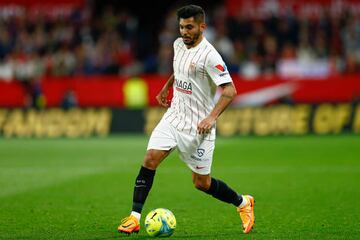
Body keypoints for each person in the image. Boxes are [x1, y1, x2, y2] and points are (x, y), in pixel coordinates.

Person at [118, 4, 254, 235]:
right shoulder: (178, 44)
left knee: (202, 183)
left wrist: (211, 118)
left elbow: (230, 91)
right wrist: (166, 87)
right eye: (181, 27)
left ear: (202, 26)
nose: (184, 32)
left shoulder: (210, 56)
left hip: (198, 127)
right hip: (174, 116)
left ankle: (243, 203)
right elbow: (179, 69)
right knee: (150, 158)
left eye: (189, 27)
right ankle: (134, 217)